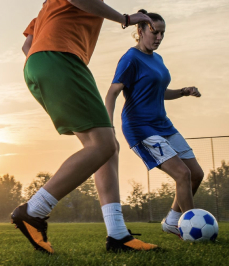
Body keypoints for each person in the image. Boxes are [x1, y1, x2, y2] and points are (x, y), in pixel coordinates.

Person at [11, 0, 159, 254]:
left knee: (106, 148)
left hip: (40, 63)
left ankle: (118, 235)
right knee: (103, 145)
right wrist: (126, 19)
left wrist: (47, 66)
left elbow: (27, 44)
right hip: (60, 59)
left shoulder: (48, 6)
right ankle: (34, 211)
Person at [104, 9, 203, 239]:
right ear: (139, 31)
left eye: (162, 34)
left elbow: (158, 91)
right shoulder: (130, 58)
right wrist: (108, 129)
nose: (158, 38)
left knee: (196, 173)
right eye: (154, 32)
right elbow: (112, 93)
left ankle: (171, 222)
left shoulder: (157, 59)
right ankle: (190, 229)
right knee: (182, 174)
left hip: (163, 125)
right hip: (141, 128)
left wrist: (183, 92)